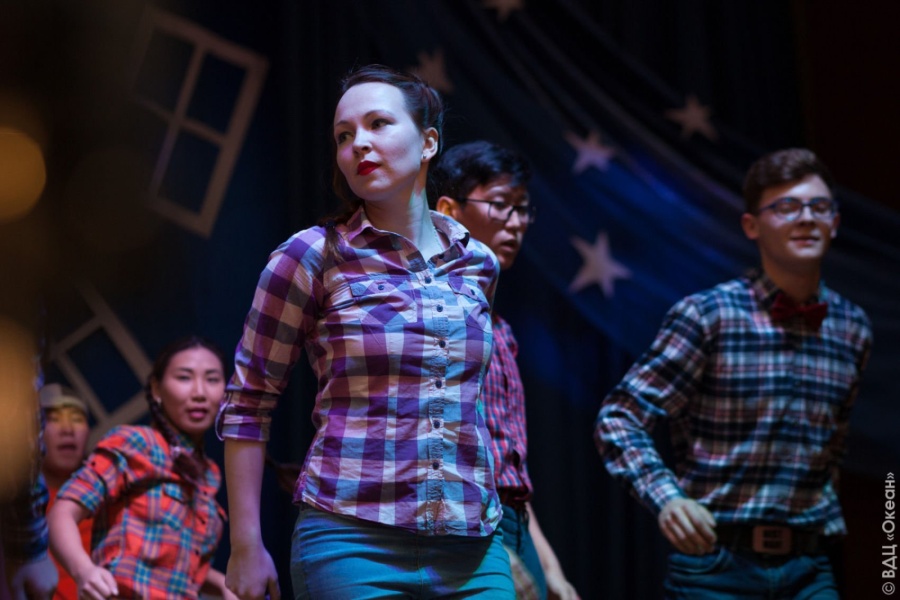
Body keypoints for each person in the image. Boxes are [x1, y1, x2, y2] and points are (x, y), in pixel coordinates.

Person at [218, 64, 513, 599]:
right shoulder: (312, 255)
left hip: (473, 544)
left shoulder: (478, 263)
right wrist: (245, 544)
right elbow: (248, 402)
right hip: (351, 538)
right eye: (343, 135)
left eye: (378, 124)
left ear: (428, 143)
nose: (358, 144)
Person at [594, 148, 873, 598]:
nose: (806, 218)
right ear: (751, 226)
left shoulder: (852, 327)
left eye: (819, 207)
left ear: (835, 222)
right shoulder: (708, 315)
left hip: (811, 566)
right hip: (716, 565)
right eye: (787, 207)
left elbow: (833, 448)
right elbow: (619, 418)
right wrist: (668, 498)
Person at [430, 140, 579, 600]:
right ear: (449, 210)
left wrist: (550, 567)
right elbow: (433, 450)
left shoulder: (503, 330)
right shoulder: (431, 318)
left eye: (522, 209)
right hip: (463, 526)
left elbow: (511, 476)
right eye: (500, 205)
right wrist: (485, 550)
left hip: (512, 523)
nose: (516, 223)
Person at [48, 336, 237, 600]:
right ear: (157, 389)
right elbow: (62, 513)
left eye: (212, 379)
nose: (199, 393)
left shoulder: (209, 474)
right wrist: (84, 571)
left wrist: (221, 584)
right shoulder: (137, 443)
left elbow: (173, 562)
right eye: (184, 378)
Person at [39, 384, 92, 600]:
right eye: (53, 419)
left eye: (77, 419)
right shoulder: (16, 508)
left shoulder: (110, 497)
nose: (67, 429)